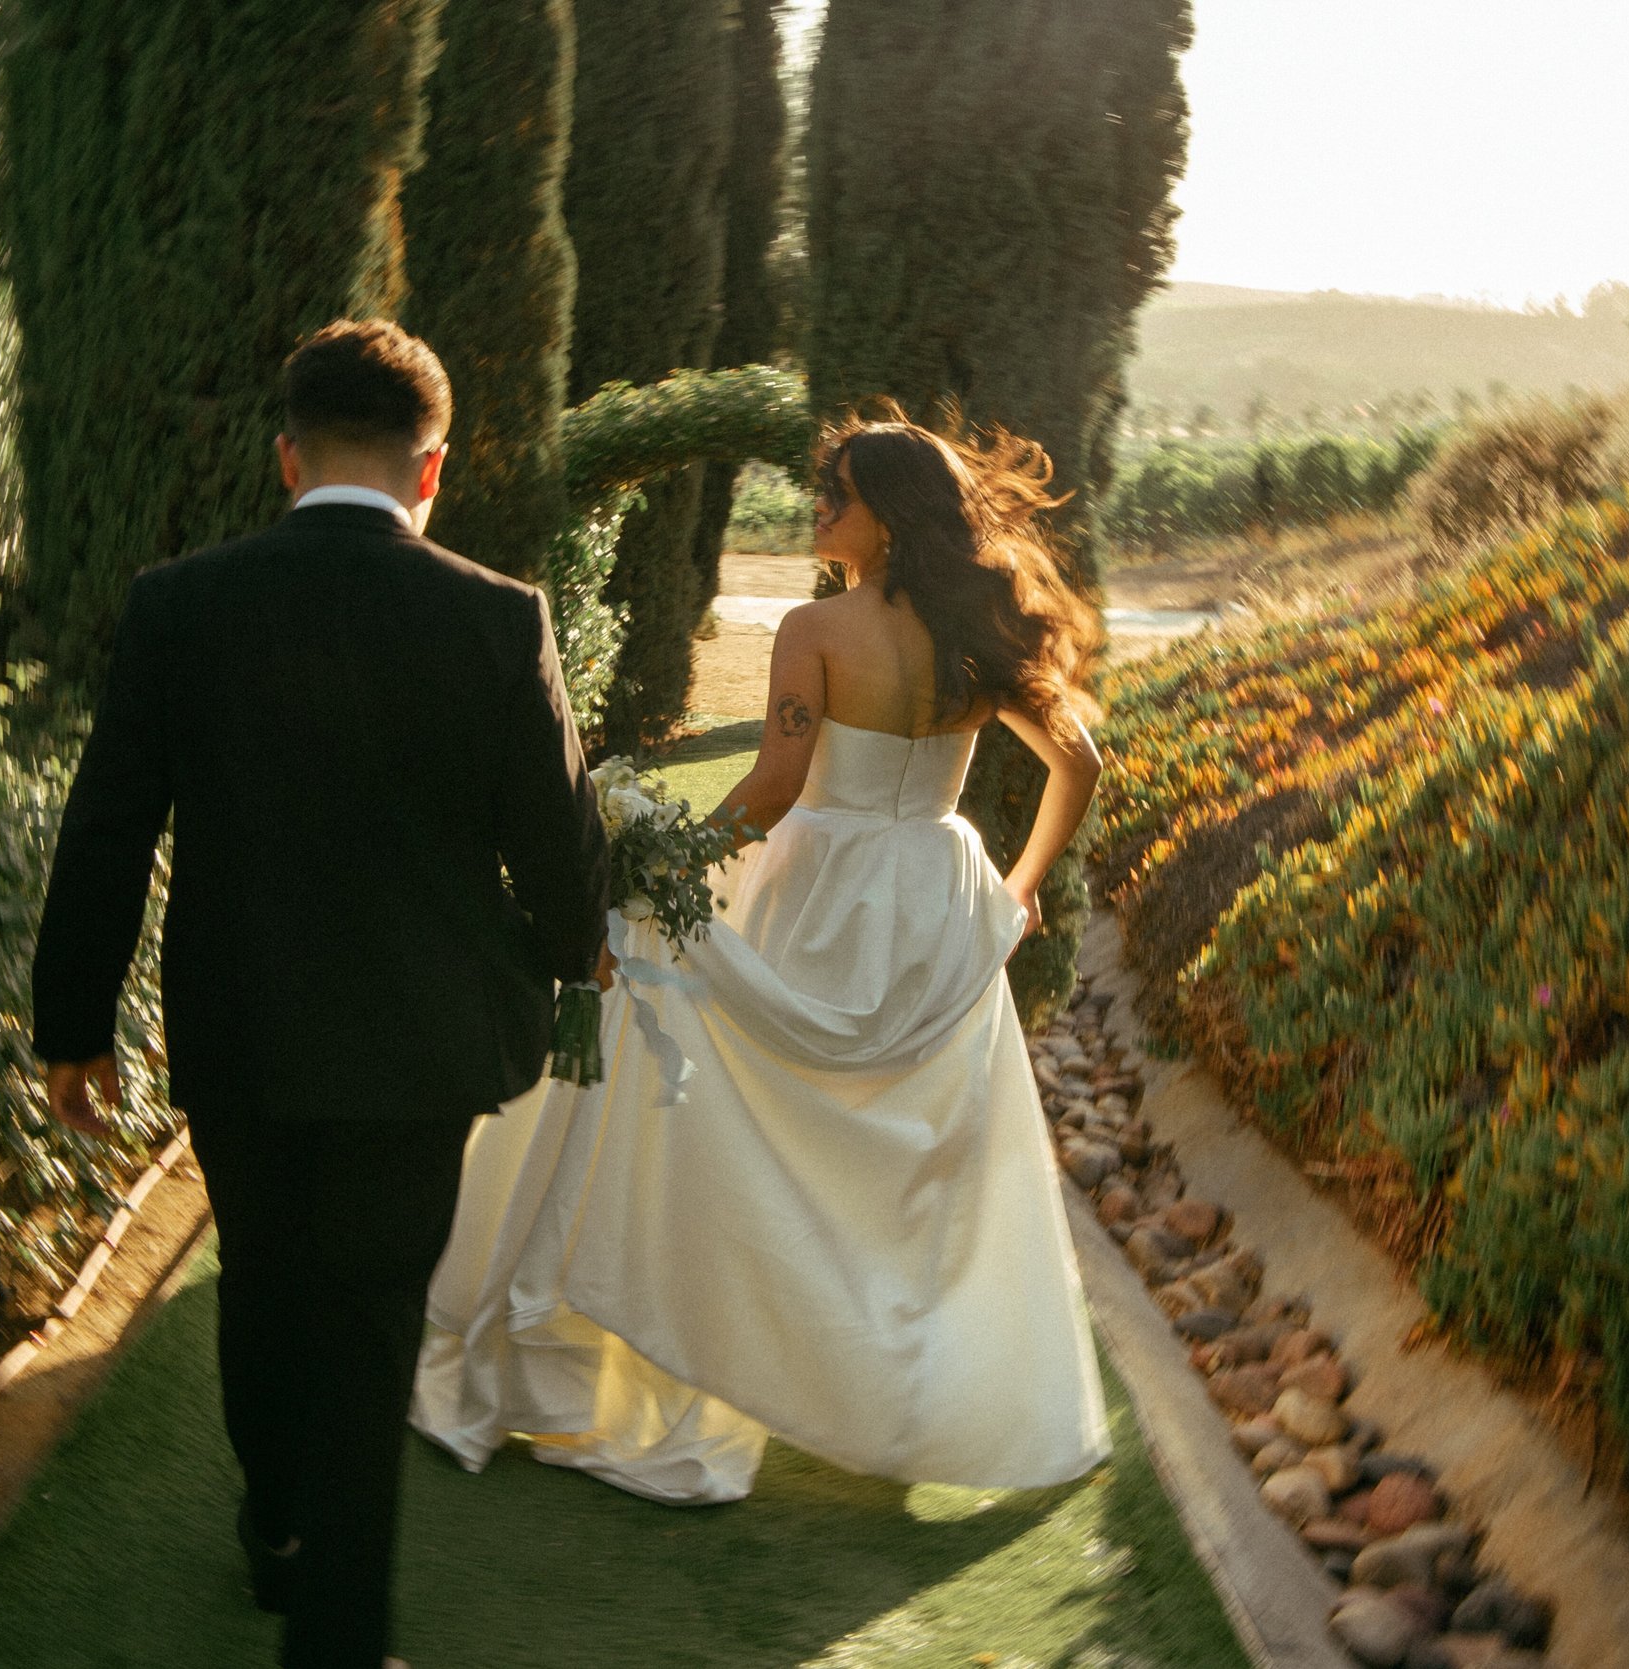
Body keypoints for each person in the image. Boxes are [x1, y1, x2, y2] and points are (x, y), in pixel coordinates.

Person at [31, 318, 612, 1669]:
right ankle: (336, 1637)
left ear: (288, 458)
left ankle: (279, 1528)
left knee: (265, 1280)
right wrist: (555, 958)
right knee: (366, 1323)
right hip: (426, 1046)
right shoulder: (496, 615)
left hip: (240, 1031)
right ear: (433, 469)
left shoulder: (181, 605)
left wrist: (73, 1024)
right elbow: (562, 839)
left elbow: (107, 827)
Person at [412, 412, 1112, 1505]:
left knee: (757, 1136)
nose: (818, 506)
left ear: (885, 511)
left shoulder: (816, 629)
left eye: (836, 490)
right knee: (916, 1164)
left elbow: (775, 790)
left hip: (824, 892)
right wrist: (1014, 889)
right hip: (934, 902)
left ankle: (719, 1373)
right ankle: (907, 1388)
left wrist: (662, 861)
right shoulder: (982, 626)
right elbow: (1080, 762)